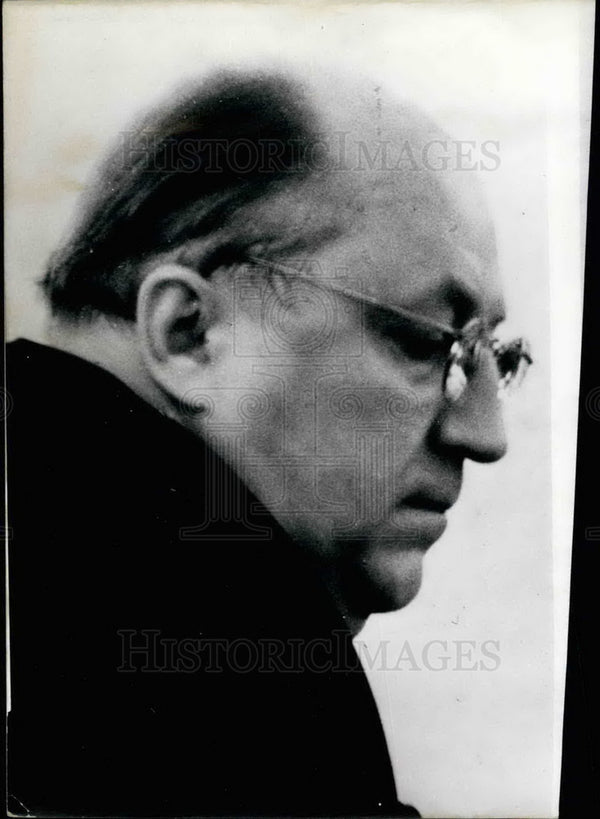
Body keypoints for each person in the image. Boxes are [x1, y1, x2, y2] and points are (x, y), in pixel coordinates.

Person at [6, 67, 531, 817]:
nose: (485, 434)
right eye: (427, 342)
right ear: (189, 333)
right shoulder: (228, 667)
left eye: (499, 357)